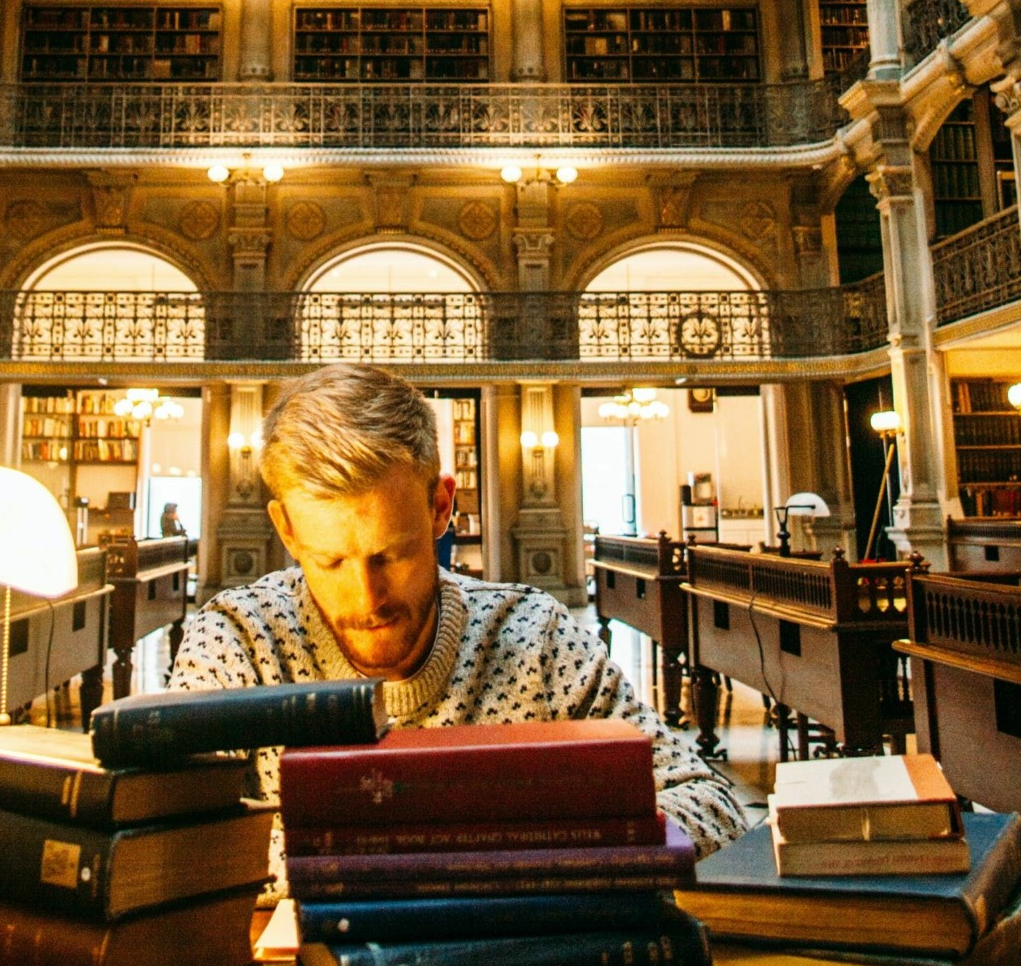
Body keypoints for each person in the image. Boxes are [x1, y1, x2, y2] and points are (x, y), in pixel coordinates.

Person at [166, 363, 747, 892]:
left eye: (392, 554)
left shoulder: (533, 638)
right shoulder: (236, 640)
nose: (368, 599)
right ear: (287, 531)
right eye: (331, 561)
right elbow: (171, 849)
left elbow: (711, 805)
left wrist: (515, 855)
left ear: (442, 507)